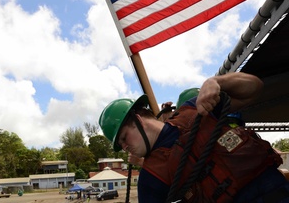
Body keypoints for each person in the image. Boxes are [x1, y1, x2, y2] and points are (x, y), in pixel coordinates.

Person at [99, 72, 289, 202]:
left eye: (124, 138)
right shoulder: (150, 180)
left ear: (139, 120)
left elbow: (254, 88)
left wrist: (217, 82)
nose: (124, 147)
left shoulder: (196, 109)